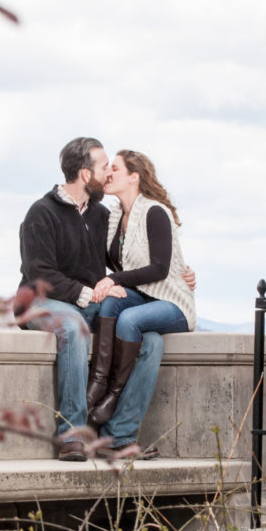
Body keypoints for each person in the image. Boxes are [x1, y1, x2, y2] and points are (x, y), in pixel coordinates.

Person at [17, 137, 168, 461]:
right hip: (42, 302)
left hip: (86, 303)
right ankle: (71, 435)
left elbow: (123, 261)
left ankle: (119, 436)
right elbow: (40, 273)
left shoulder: (101, 216)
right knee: (72, 326)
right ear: (86, 175)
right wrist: (90, 294)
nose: (108, 173)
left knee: (150, 339)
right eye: (103, 168)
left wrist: (180, 274)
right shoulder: (41, 213)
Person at [86, 149, 196, 427]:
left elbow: (160, 268)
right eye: (107, 168)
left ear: (134, 177)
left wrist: (115, 280)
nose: (108, 173)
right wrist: (112, 284)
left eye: (115, 169)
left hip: (173, 304)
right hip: (143, 298)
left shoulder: (154, 211)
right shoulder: (114, 216)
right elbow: (115, 265)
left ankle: (112, 392)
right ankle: (97, 382)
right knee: (111, 302)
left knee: (129, 319)